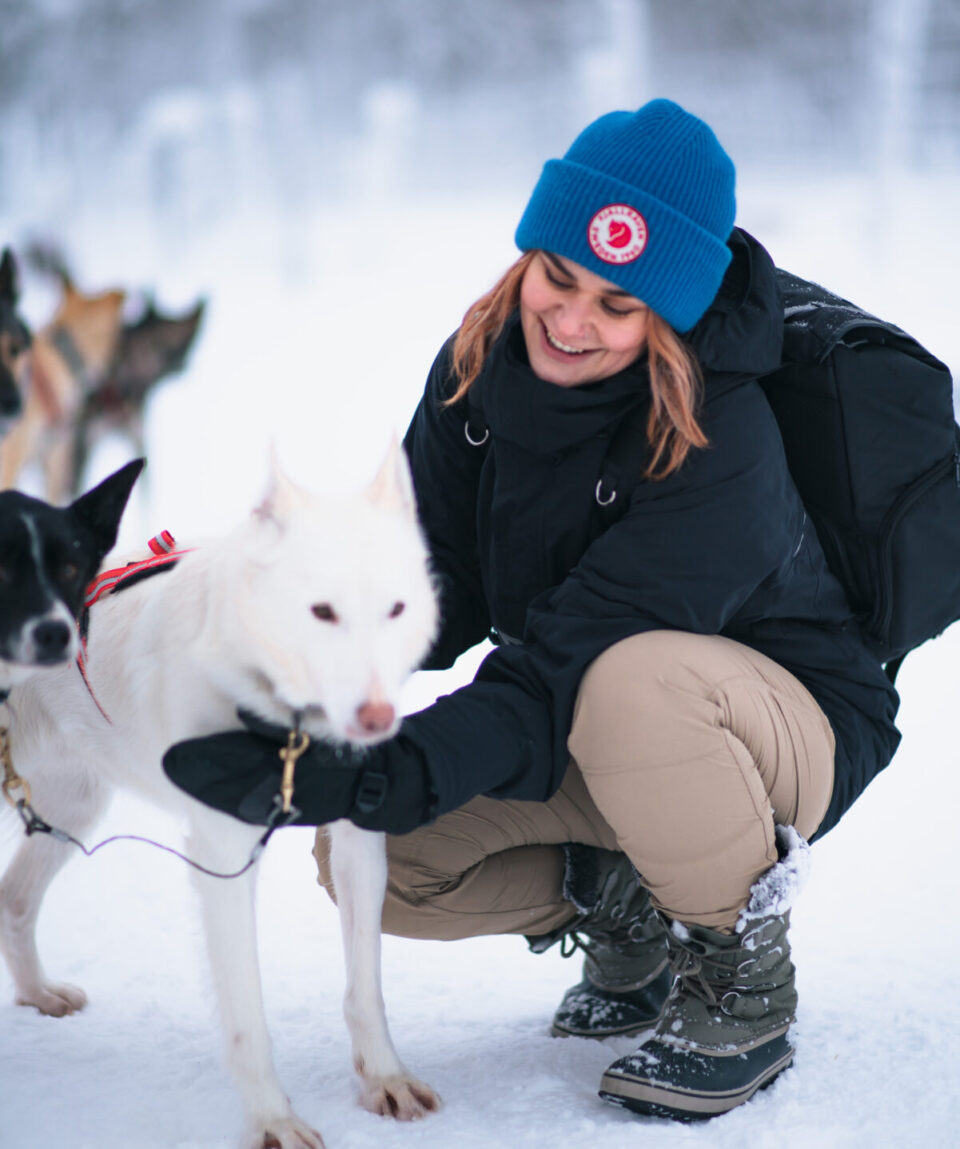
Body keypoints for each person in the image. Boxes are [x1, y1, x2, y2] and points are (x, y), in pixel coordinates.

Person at [163, 98, 901, 1121]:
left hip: (777, 731)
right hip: (603, 723)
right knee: (376, 853)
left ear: (669, 320)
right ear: (527, 258)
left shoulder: (719, 443)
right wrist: (293, 687)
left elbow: (559, 669)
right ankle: (630, 899)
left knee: (623, 682)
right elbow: (427, 587)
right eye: (558, 278)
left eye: (617, 305)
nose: (569, 319)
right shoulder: (478, 377)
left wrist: (395, 764)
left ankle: (742, 980)